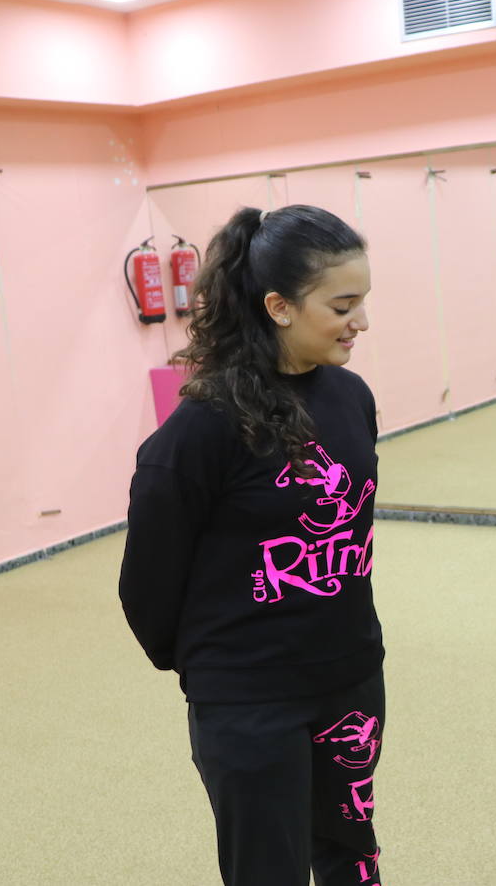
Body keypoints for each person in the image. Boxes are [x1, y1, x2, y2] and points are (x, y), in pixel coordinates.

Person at [119, 205, 386, 886]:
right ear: (279, 306)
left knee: (354, 859)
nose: (361, 321)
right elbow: (147, 587)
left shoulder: (351, 398)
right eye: (343, 305)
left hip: (349, 676)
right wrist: (218, 672)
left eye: (364, 302)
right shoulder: (201, 431)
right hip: (249, 699)